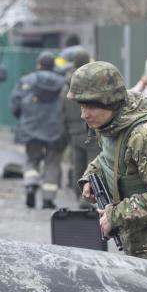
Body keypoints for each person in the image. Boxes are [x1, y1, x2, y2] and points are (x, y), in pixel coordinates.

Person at [71, 61, 147, 265]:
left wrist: (114, 216)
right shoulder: (114, 122)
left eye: (90, 106)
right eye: (81, 106)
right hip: (138, 237)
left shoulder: (146, 136)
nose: (84, 115)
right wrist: (91, 176)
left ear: (109, 101)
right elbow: (111, 156)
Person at [10, 51, 67, 209]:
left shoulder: (26, 81)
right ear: (53, 65)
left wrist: (23, 119)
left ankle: (30, 184)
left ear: (38, 64)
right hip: (55, 130)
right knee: (52, 164)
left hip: (31, 128)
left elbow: (15, 103)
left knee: (32, 159)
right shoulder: (63, 84)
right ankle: (48, 199)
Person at [61, 49, 94, 200]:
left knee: (77, 165)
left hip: (74, 132)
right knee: (93, 165)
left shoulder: (67, 84)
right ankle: (88, 198)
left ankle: (78, 194)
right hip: (92, 130)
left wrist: (66, 131)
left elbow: (62, 110)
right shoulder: (93, 81)